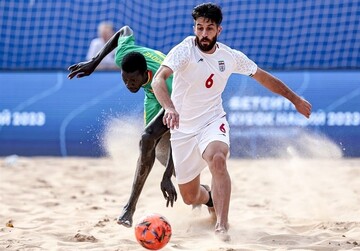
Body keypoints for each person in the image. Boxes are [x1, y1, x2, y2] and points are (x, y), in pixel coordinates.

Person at [152, 2, 312, 241]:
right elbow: (158, 80)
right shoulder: (185, 49)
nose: (203, 34)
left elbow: (263, 77)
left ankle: (222, 225)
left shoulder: (229, 56)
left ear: (219, 30)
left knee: (218, 160)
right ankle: (209, 199)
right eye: (199, 28)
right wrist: (169, 108)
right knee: (189, 197)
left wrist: (295, 99)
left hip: (212, 121)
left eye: (209, 28)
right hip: (183, 129)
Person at [68, 25, 177, 228]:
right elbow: (125, 30)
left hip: (174, 97)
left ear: (145, 73)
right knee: (154, 148)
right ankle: (130, 208)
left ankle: (130, 207)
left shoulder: (172, 84)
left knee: (151, 141)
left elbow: (180, 134)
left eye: (133, 80)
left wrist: (167, 175)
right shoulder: (124, 56)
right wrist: (94, 62)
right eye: (125, 80)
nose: (129, 85)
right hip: (152, 93)